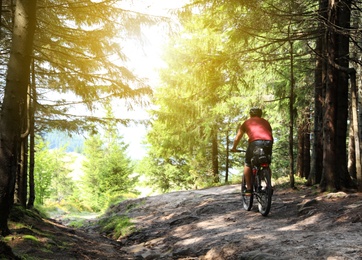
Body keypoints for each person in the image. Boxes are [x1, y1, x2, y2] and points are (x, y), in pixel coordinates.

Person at [230, 107, 273, 195]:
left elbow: (238, 137)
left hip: (255, 143)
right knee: (266, 164)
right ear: (260, 114)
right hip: (268, 142)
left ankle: (249, 189)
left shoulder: (246, 122)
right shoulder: (266, 122)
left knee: (248, 164)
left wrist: (234, 147)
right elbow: (270, 134)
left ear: (250, 114)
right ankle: (269, 185)